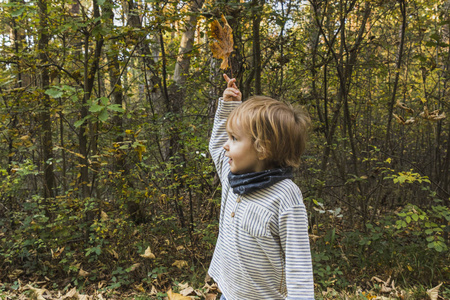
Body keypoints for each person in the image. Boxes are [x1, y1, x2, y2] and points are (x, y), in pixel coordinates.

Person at [208, 74, 314, 300]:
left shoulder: (285, 196)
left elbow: (299, 263)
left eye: (234, 138)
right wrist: (229, 105)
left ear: (262, 149)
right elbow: (217, 145)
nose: (226, 145)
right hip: (229, 293)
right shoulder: (232, 177)